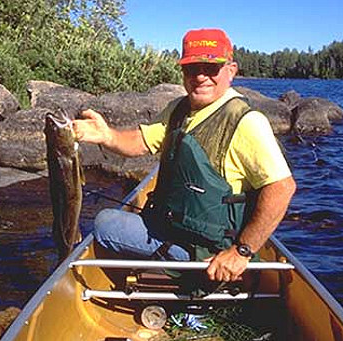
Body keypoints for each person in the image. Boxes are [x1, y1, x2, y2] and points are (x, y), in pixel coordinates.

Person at [72, 28, 296, 283]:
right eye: (191, 68)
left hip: (208, 252)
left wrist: (241, 252)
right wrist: (107, 136)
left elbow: (282, 188)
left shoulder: (247, 122)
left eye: (211, 68)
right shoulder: (180, 108)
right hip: (177, 229)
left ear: (231, 71)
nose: (200, 76)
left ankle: (185, 281)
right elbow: (140, 142)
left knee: (105, 224)